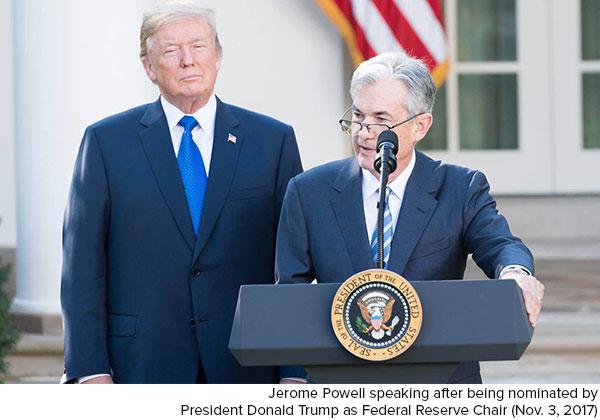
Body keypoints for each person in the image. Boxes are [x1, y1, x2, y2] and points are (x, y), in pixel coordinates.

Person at [61, 1, 302, 384]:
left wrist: (295, 371)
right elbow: (82, 267)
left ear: (217, 56)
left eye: (198, 46)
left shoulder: (272, 141)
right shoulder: (106, 143)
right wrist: (89, 370)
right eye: (171, 50)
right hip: (141, 364)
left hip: (247, 364)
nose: (188, 60)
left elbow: (294, 267)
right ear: (148, 67)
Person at [275, 52, 543, 384]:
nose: (363, 132)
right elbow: (290, 291)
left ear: (420, 125)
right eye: (357, 115)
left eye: (380, 120)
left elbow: (501, 245)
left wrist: (516, 273)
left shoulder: (459, 187)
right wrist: (294, 375)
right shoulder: (308, 191)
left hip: (438, 384)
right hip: (341, 383)